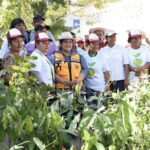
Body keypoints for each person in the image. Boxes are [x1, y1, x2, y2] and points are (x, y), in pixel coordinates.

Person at [83, 33, 110, 107]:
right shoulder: (83, 55)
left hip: (100, 89)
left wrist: (107, 87)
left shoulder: (102, 56)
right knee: (90, 110)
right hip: (88, 89)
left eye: (97, 44)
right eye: (93, 44)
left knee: (100, 110)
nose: (96, 46)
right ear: (88, 44)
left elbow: (106, 72)